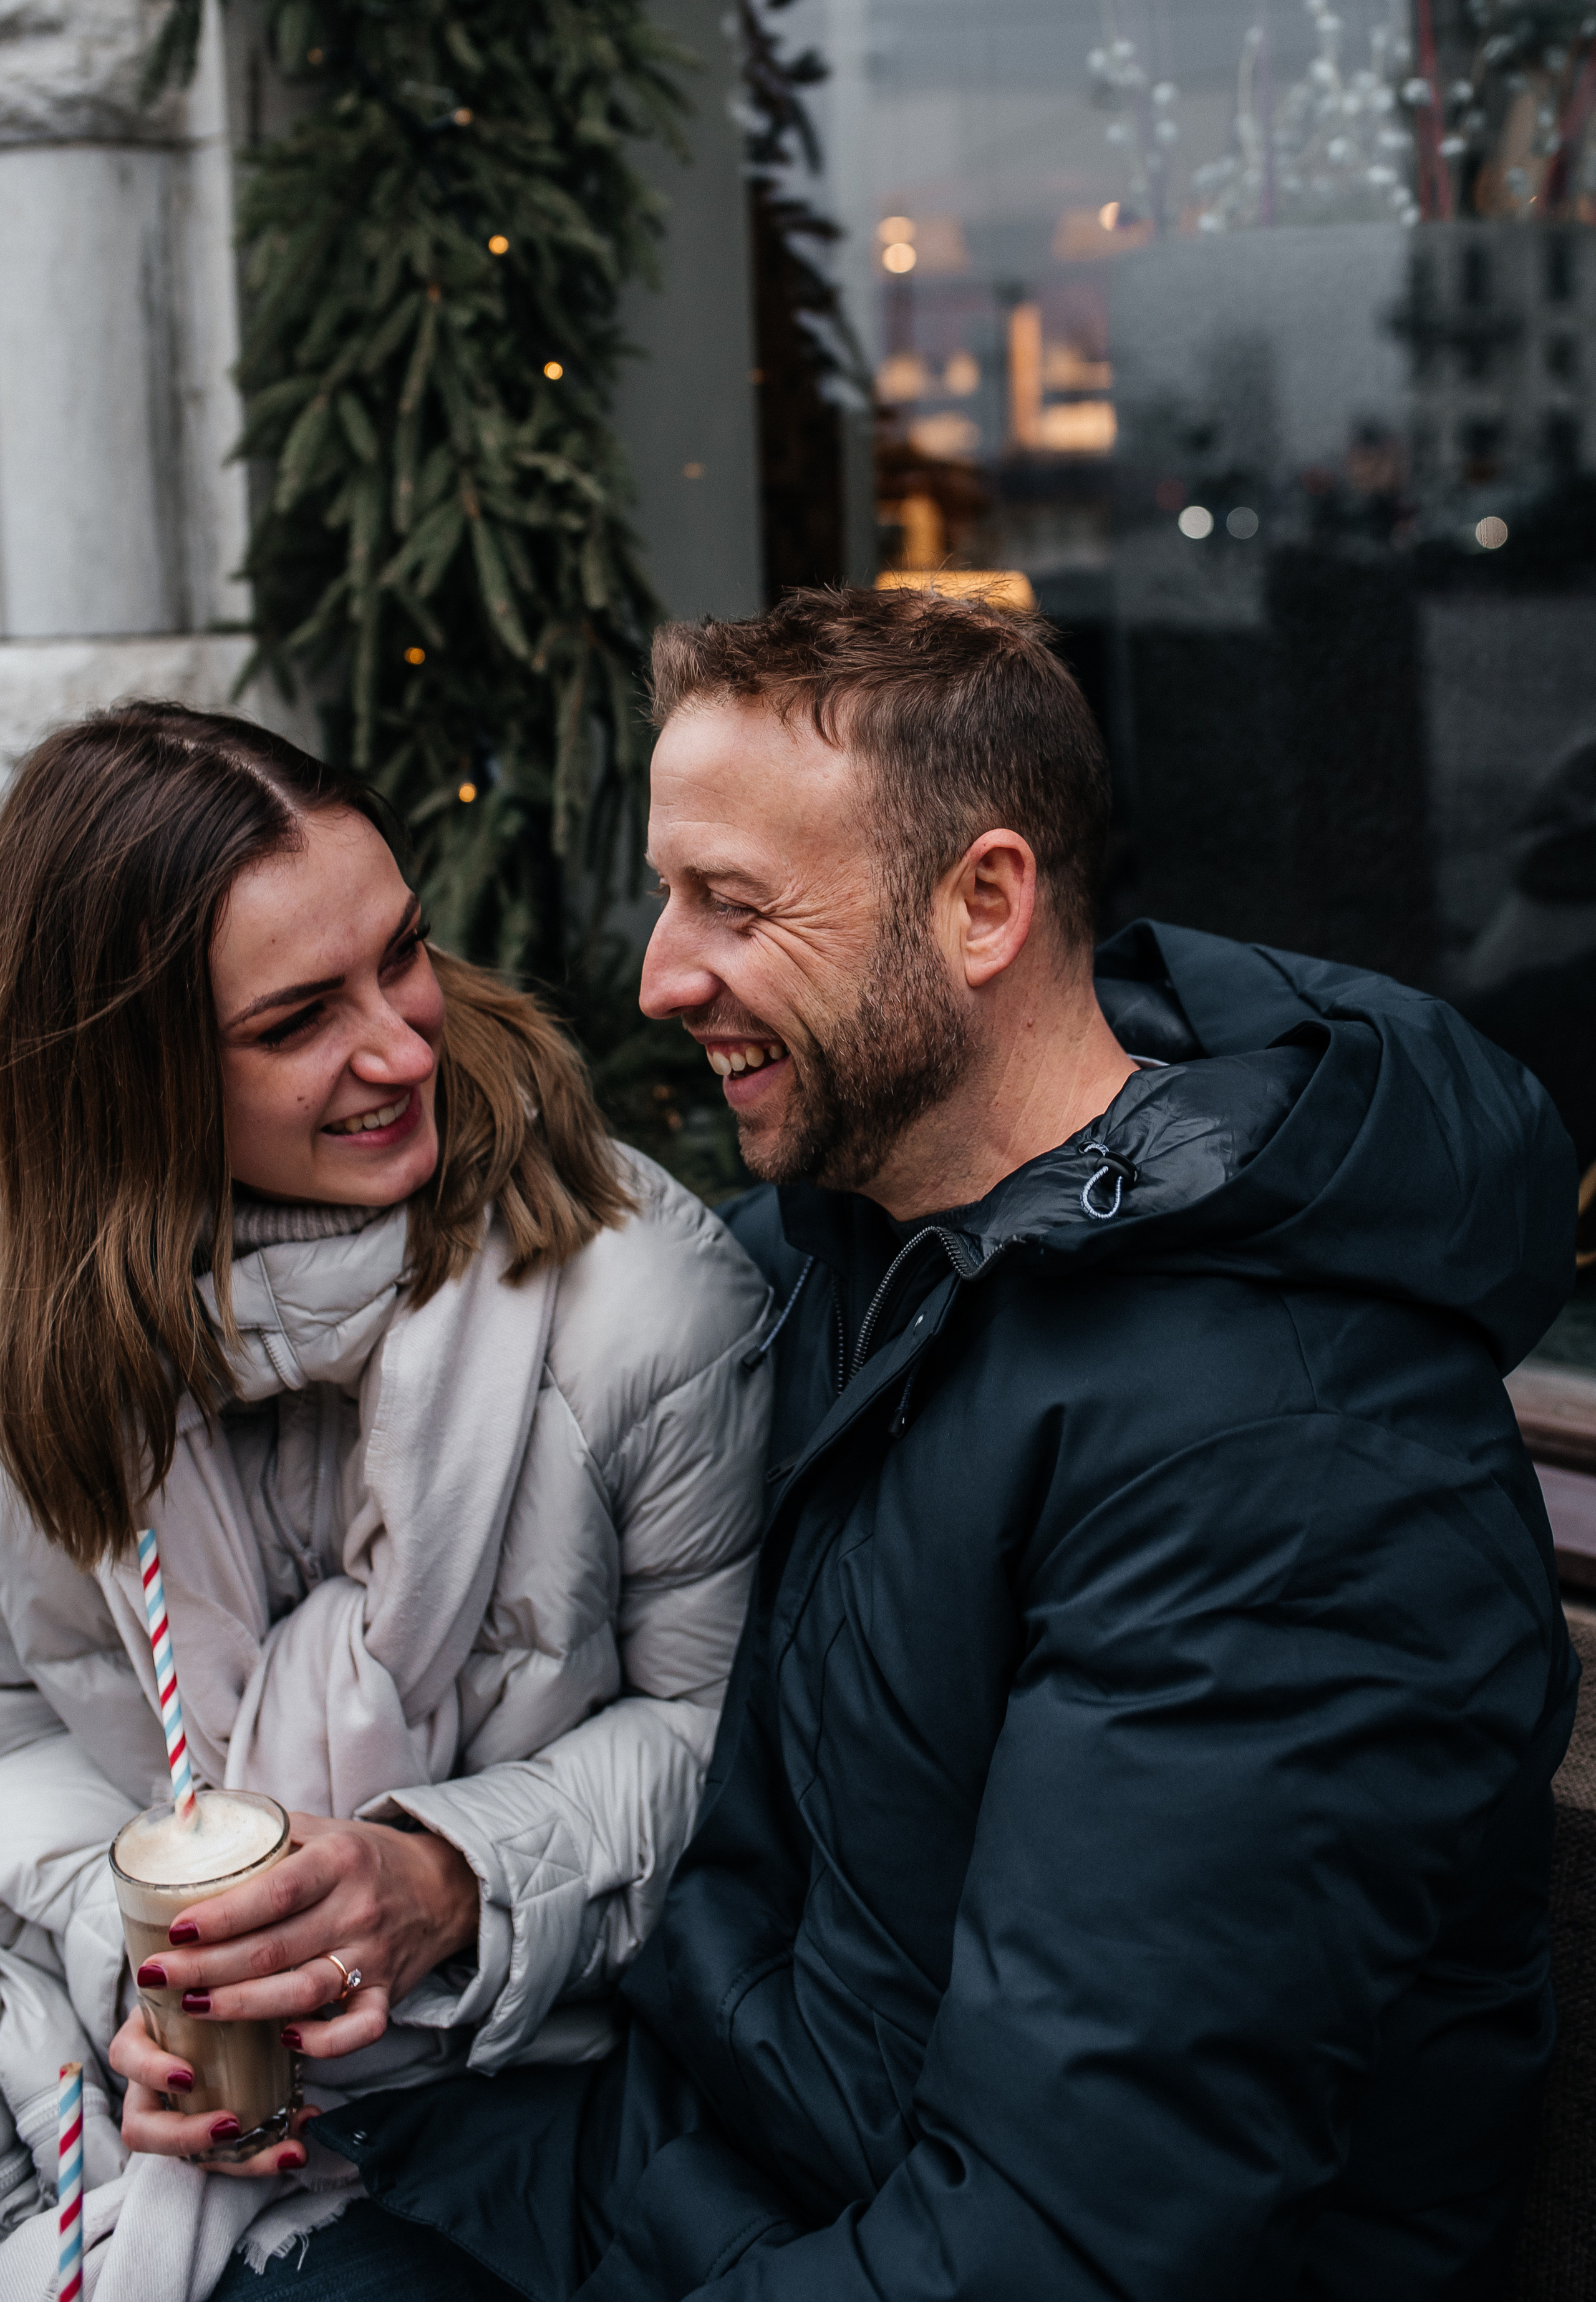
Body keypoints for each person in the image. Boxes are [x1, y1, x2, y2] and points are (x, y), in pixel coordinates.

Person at [263, 586, 1577, 2300]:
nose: (659, 978)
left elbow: (1055, 2239)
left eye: (734, 904)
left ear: (983, 905)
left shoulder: (1285, 1468)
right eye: (667, 893)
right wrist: (410, 1910)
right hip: (687, 2166)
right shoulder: (846, 1251)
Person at [0, 704, 773, 2302]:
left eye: (402, 955)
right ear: (128, 1080)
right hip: (119, 2091)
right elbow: (16, 1733)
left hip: (536, 2096)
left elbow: (744, 1735)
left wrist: (453, 1879)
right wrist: (144, 1963)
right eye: (298, 1020)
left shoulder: (633, 1298)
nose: (405, 1048)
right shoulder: (36, 1339)